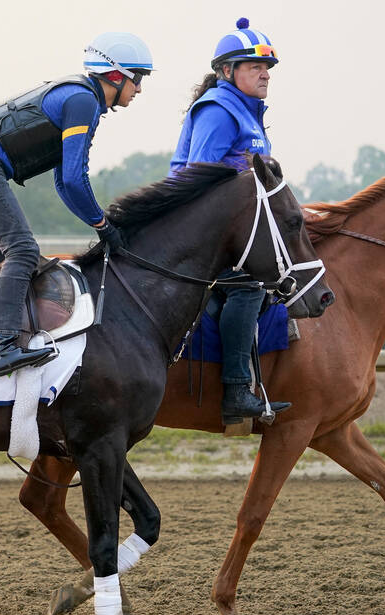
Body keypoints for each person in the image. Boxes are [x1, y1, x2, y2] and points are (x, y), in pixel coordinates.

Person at [0, 32, 153, 377]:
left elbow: (63, 183)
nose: (140, 89)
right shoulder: (83, 101)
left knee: (0, 260)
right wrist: (103, 225)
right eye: (138, 78)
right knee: (23, 252)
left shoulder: (79, 98)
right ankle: (2, 349)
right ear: (116, 75)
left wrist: (99, 223)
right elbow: (74, 179)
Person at [170, 18, 291, 423]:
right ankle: (237, 391)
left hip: (234, 234)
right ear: (226, 71)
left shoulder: (247, 113)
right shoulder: (219, 110)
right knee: (249, 285)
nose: (264, 74)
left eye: (268, 68)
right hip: (204, 233)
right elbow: (198, 177)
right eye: (255, 66)